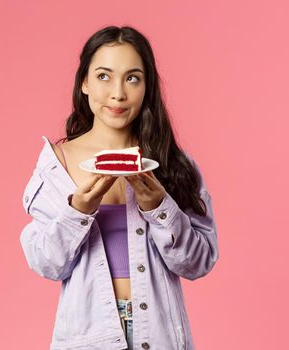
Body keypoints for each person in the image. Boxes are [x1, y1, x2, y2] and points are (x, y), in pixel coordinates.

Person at [20, 25, 219, 350]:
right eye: (103, 76)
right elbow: (48, 264)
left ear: (147, 87)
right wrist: (78, 211)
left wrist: (159, 207)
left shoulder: (171, 164)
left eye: (132, 78)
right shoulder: (58, 165)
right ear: (84, 82)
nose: (118, 93)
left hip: (159, 337)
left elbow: (198, 263)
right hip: (87, 339)